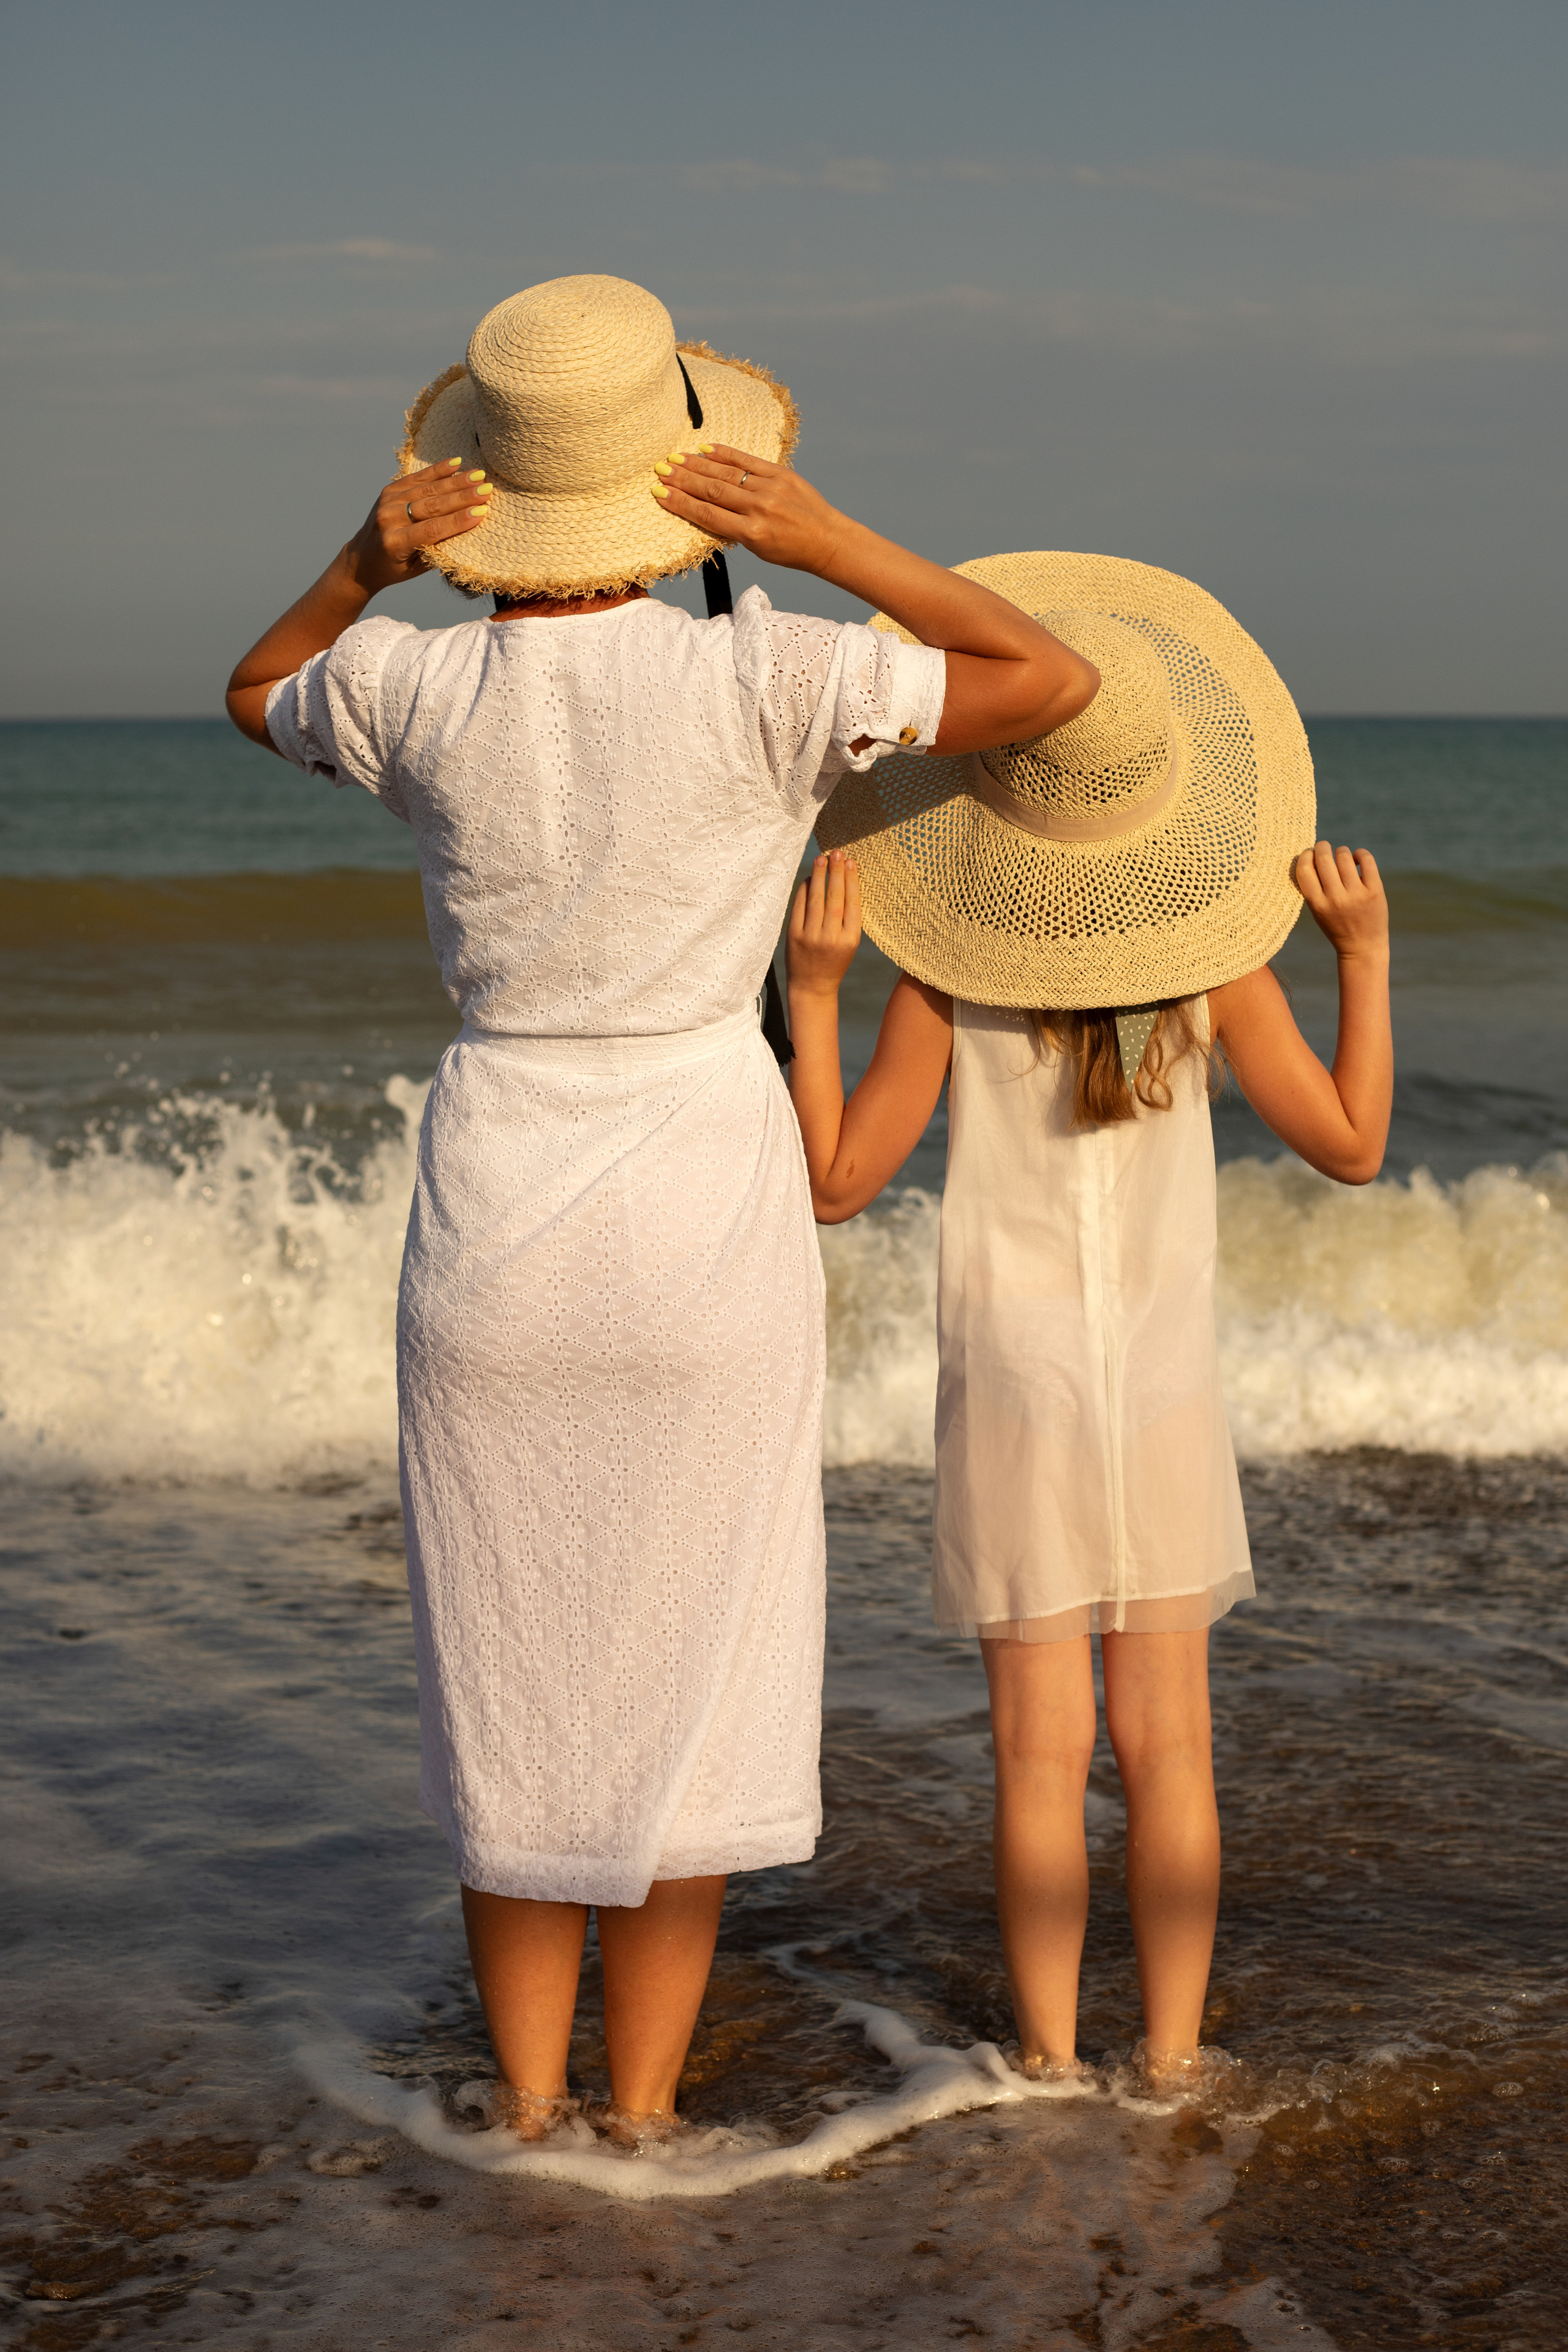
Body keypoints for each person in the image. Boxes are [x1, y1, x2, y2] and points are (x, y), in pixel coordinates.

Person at [224, 279, 1099, 2141]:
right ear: (680, 481)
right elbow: (1044, 685)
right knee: (688, 1671)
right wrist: (828, 541)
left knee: (512, 1675)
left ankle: (525, 2117)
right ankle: (638, 2121)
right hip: (705, 1206)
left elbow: (250, 691)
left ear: (485, 489)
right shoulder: (768, 671)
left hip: (497, 1210)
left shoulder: (407, 684)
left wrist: (363, 561)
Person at [785, 550, 1393, 2087]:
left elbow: (837, 1184)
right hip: (1161, 1383)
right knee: (1169, 1749)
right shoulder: (1220, 973)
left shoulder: (943, 983)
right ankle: (1171, 2063)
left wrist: (814, 992)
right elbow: (1350, 1147)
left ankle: (1049, 2065)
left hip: (1012, 1379)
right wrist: (1363, 960)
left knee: (1035, 1758)